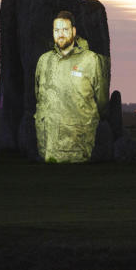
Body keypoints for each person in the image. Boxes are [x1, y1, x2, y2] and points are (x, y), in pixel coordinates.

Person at [34, 10, 109, 163]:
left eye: (65, 30)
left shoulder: (91, 60)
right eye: (57, 30)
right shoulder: (44, 60)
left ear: (74, 31)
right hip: (47, 147)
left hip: (79, 147)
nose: (60, 34)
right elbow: (38, 95)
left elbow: (101, 100)